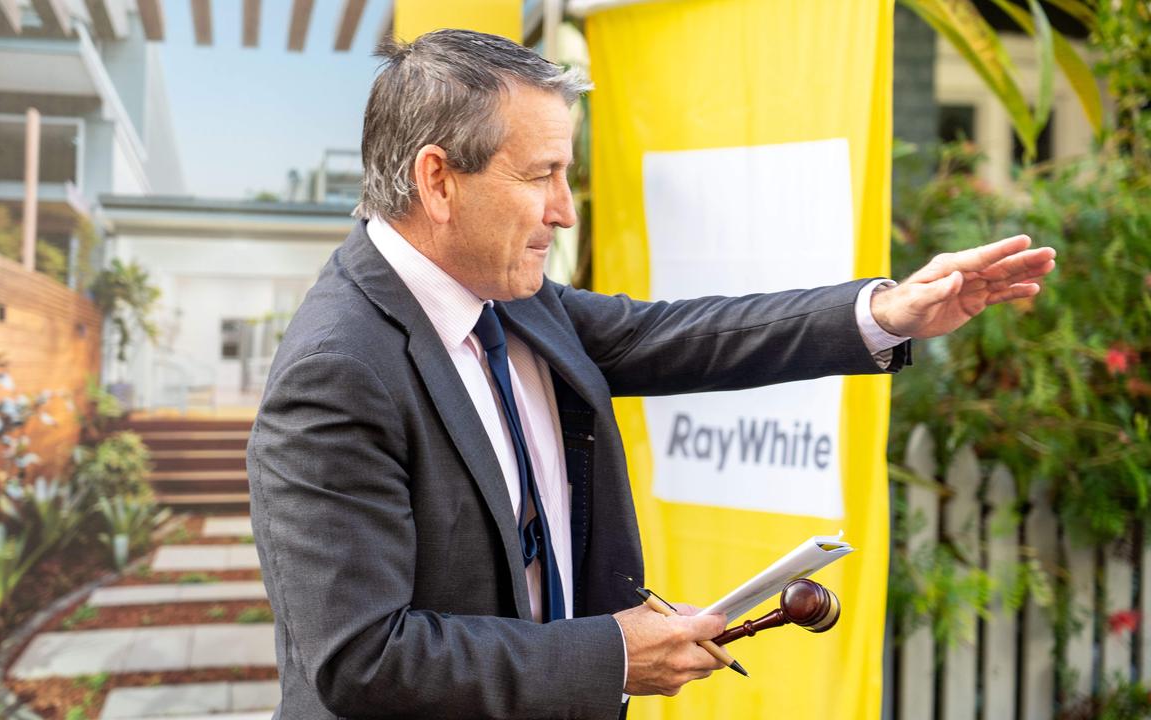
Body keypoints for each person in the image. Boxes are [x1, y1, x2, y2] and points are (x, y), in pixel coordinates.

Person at [245, 29, 1056, 720]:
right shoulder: (337, 373)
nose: (564, 209)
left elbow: (676, 335)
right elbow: (362, 660)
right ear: (437, 180)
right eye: (541, 175)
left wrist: (887, 311)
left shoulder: (507, 295)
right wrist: (610, 657)